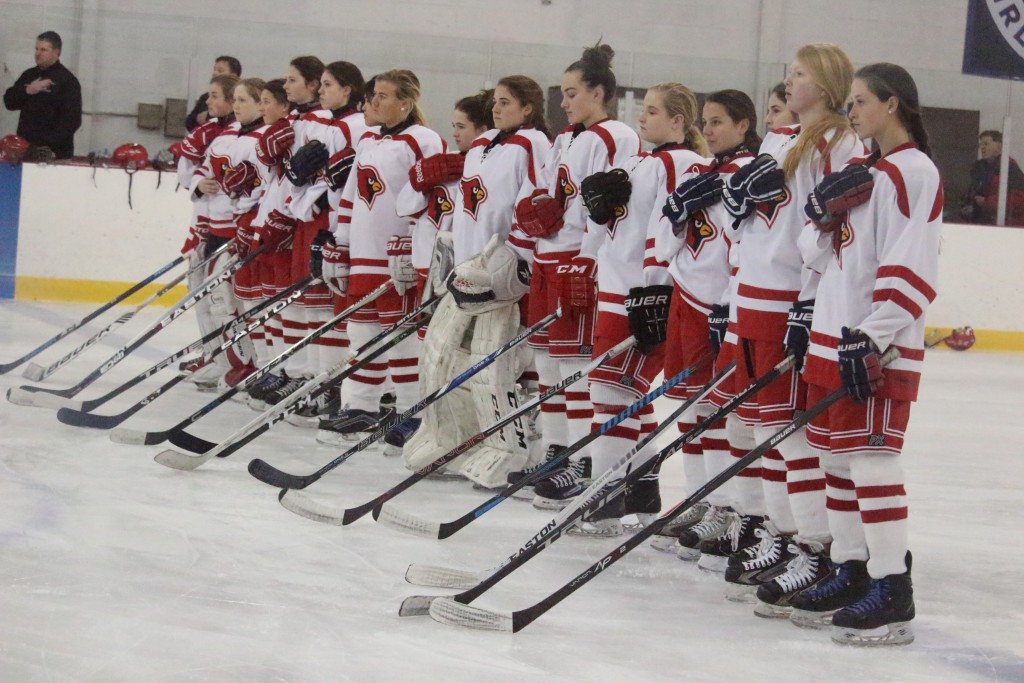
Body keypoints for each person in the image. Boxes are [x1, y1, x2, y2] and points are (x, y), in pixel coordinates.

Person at [789, 62, 941, 647]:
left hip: (877, 344)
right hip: (833, 333)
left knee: (873, 462)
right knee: (835, 461)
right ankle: (851, 570)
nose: (850, 112)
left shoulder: (914, 172)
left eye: (859, 102)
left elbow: (914, 263)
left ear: (893, 104)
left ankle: (891, 588)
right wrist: (821, 215)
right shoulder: (863, 169)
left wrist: (875, 334)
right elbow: (819, 252)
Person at [724, 43, 865, 618]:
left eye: (801, 74)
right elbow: (763, 225)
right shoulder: (781, 140)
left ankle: (813, 544)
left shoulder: (839, 144)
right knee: (762, 428)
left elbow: (829, 235)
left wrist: (808, 303)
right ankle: (782, 534)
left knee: (793, 434)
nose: (789, 81)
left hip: (789, 301)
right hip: (753, 299)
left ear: (827, 85)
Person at [567, 82, 710, 536]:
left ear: (678, 121)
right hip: (615, 289)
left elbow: (672, 230)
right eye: (642, 111)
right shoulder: (639, 161)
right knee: (623, 393)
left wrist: (658, 291)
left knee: (609, 392)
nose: (642, 118)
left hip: (639, 295)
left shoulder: (685, 163)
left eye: (652, 112)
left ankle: (604, 501)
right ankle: (643, 488)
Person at [505, 43, 642, 510]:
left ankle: (583, 460)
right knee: (545, 362)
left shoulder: (615, 136)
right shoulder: (566, 138)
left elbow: (610, 204)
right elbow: (545, 192)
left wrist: (590, 255)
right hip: (547, 258)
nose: (562, 102)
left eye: (570, 93)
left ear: (598, 92)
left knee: (574, 365)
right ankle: (556, 452)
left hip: (577, 260)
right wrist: (530, 222)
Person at [405, 78, 554, 489]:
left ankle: (510, 449)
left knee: (493, 367)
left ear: (528, 108)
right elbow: (466, 209)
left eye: (506, 103)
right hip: (464, 273)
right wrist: (447, 254)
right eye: (495, 102)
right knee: (441, 358)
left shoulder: (534, 145)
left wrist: (515, 266)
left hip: (498, 276)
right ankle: (452, 437)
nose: (496, 109)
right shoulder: (483, 145)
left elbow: (536, 207)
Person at [325, 69, 444, 456]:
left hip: (397, 258)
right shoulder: (368, 139)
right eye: (372, 95)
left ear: (406, 102)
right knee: (361, 335)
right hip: (363, 253)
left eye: (382, 96)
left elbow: (433, 197)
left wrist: (412, 246)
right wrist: (339, 244)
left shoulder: (423, 140)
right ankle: (360, 407)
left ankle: (412, 415)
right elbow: (350, 197)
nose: (372, 102)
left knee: (401, 339)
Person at [3, 31, 82, 159]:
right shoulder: (29, 75)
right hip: (26, 150)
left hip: (55, 155)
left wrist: (47, 144)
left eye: (43, 49)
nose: (38, 53)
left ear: (56, 52)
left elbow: (72, 120)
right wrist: (27, 91)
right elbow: (9, 102)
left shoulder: (68, 81)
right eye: (37, 49)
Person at [959, 129, 1024, 225]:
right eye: (981, 145)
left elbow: (1019, 200)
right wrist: (971, 207)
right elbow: (974, 194)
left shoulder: (1009, 167)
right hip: (985, 225)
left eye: (986, 144)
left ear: (999, 146)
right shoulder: (979, 168)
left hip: (1006, 227)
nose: (982, 148)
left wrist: (987, 202)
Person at [186, 56, 242, 131]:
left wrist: (208, 116)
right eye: (214, 69)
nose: (214, 73)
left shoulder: (241, 98)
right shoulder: (205, 96)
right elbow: (189, 122)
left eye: (220, 70)